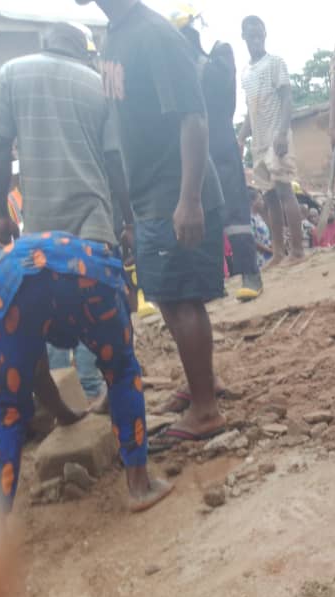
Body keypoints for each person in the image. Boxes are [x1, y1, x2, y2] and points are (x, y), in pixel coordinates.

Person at [0, 23, 171, 512]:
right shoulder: (96, 84)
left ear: (44, 44)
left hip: (19, 266)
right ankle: (138, 485)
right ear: (83, 50)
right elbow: (114, 163)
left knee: (8, 401)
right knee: (122, 368)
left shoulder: (11, 73)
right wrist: (126, 222)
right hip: (89, 249)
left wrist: (1, 212)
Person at [80, 0, 228, 447]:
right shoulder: (116, 36)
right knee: (167, 297)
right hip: (150, 199)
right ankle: (203, 383)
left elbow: (194, 118)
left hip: (174, 195)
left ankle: (205, 411)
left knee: (182, 301)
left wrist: (189, 199)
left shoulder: (153, 34)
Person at [173, 10, 264, 303]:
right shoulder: (177, 65)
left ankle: (251, 274)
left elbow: (221, 92)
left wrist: (191, 58)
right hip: (193, 143)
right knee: (205, 210)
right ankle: (213, 282)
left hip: (219, 138)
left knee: (235, 208)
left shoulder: (220, 54)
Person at [238, 16, 305, 270]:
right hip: (259, 143)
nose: (256, 39)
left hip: (277, 136)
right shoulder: (246, 73)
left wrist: (281, 133)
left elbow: (287, 98)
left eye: (259, 34)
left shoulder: (275, 63)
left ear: (265, 34)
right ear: (243, 36)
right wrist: (242, 135)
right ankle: (278, 252)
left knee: (285, 190)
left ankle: (297, 251)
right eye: (250, 35)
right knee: (268, 197)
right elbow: (249, 111)